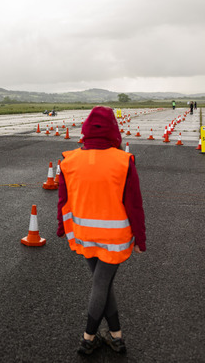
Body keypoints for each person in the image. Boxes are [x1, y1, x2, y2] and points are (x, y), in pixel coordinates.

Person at [56, 106, 147, 356]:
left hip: (84, 234)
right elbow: (134, 204)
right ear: (113, 131)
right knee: (102, 283)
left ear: (86, 129)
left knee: (102, 284)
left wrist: (61, 228)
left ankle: (116, 337)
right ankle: (89, 338)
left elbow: (63, 200)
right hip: (115, 238)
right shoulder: (123, 161)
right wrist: (140, 238)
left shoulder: (69, 160)